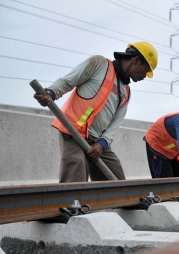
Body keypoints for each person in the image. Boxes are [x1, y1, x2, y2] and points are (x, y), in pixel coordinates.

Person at [34, 42, 158, 183]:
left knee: (119, 183)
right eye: (145, 69)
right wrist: (51, 93)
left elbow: (115, 124)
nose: (145, 76)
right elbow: (68, 81)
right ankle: (71, 204)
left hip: (98, 141)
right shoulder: (99, 64)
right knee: (76, 174)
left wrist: (101, 144)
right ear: (136, 60)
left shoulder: (126, 92)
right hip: (73, 132)